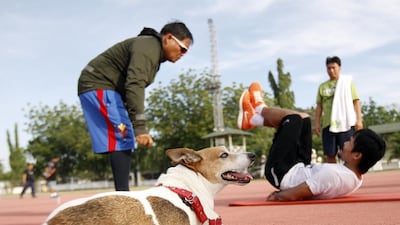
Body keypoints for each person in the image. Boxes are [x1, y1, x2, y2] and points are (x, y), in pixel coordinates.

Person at [78, 21, 193, 191]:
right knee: (123, 136)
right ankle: (123, 197)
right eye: (182, 48)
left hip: (107, 90)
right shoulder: (148, 47)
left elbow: (130, 87)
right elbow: (135, 84)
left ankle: (123, 194)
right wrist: (140, 127)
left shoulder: (153, 54)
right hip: (99, 85)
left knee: (124, 136)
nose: (183, 54)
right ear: (168, 38)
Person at [238, 82, 386, 201]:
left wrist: (280, 196)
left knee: (294, 120)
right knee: (304, 119)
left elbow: (298, 192)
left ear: (356, 155)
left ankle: (258, 108)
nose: (345, 142)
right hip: (301, 166)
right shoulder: (353, 176)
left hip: (282, 172)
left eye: (351, 142)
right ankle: (253, 119)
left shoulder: (336, 176)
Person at [315, 56, 363, 163]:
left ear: (339, 68)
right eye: (328, 68)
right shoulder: (322, 86)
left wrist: (359, 120)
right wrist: (317, 123)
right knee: (330, 154)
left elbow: (355, 101)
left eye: (333, 67)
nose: (331, 70)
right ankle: (334, 178)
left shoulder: (347, 82)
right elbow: (319, 106)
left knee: (349, 153)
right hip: (328, 125)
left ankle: (350, 178)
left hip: (345, 124)